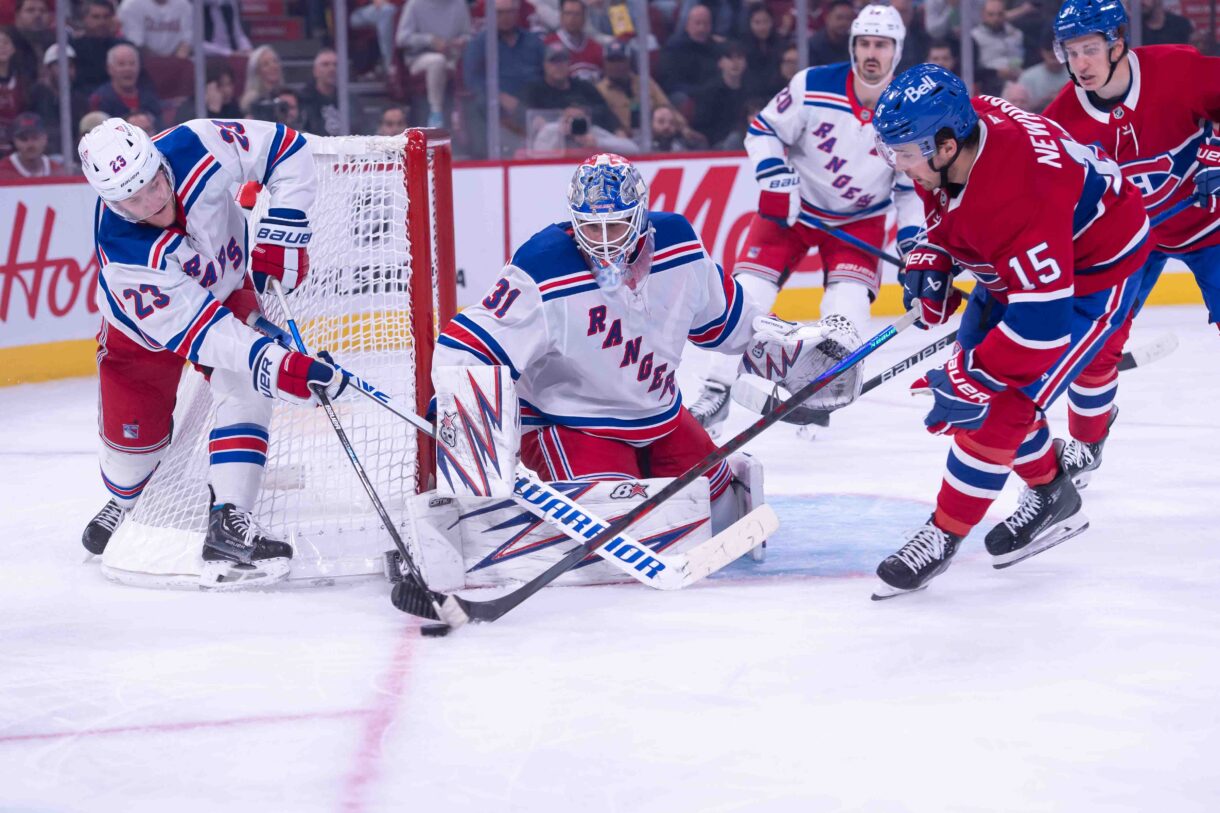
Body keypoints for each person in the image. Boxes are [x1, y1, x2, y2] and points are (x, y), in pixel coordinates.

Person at [870, 63, 1151, 598]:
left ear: (947, 146)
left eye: (905, 153)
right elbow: (955, 207)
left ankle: (944, 533)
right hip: (1034, 260)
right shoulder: (963, 128)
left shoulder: (1015, 196)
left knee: (1001, 405)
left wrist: (975, 377)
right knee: (987, 385)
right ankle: (1052, 495)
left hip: (1094, 272)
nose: (898, 164)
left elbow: (1041, 324)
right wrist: (935, 253)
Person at [431, 154, 794, 532]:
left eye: (616, 226)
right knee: (618, 525)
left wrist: (794, 351)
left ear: (639, 217)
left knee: (718, 513)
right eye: (592, 229)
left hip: (659, 417)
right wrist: (458, 426)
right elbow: (466, 347)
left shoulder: (679, 244)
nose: (604, 243)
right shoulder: (542, 267)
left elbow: (729, 322)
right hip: (570, 423)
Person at [77, 116, 349, 587]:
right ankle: (124, 499)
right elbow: (207, 334)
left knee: (246, 384)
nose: (153, 203)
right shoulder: (124, 253)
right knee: (132, 459)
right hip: (142, 337)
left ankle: (229, 520)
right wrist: (280, 365)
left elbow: (286, 148)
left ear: (160, 162)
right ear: (110, 202)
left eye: (154, 185)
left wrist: (285, 230)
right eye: (133, 200)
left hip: (225, 290)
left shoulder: (197, 142)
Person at [688, 5, 922, 437]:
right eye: (865, 43)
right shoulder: (813, 84)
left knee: (845, 316)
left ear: (898, 50)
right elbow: (763, 131)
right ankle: (716, 390)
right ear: (853, 46)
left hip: (859, 221)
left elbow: (911, 187)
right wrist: (776, 177)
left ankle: (816, 395)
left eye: (882, 45)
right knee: (747, 293)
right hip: (795, 209)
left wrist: (914, 247)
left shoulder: (908, 106)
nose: (872, 53)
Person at [1043, 0, 1220, 487]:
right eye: (1071, 52)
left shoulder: (1176, 70)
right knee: (1092, 341)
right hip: (1131, 241)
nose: (1080, 64)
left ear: (1118, 45)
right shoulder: (1060, 125)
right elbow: (1050, 204)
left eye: (1091, 50)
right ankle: (1087, 442)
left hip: (1211, 225)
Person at [462, 0, 545, 157]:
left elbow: (546, 73)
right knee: (477, 104)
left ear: (517, 12)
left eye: (509, 12)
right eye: (499, 13)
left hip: (533, 103)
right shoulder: (479, 44)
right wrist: (498, 96)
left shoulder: (533, 42)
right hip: (496, 109)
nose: (505, 17)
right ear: (490, 15)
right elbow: (471, 80)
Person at [395, 0, 470, 128]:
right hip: (419, 57)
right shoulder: (414, 4)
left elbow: (469, 35)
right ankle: (436, 112)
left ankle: (460, 114)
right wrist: (430, 40)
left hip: (452, 56)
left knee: (459, 64)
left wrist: (460, 41)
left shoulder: (459, 4)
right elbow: (401, 38)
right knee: (437, 61)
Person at [523, 43, 618, 135]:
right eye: (553, 61)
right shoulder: (534, 90)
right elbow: (520, 116)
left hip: (588, 142)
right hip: (550, 145)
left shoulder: (584, 87)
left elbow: (605, 112)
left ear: (569, 63)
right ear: (544, 65)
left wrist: (584, 112)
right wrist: (538, 119)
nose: (559, 66)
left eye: (562, 60)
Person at [596, 40, 679, 138]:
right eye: (612, 61)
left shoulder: (645, 83)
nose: (616, 65)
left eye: (620, 60)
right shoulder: (598, 90)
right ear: (605, 63)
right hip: (622, 142)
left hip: (655, 136)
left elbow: (666, 106)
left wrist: (684, 128)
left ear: (629, 62)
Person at [691, 40, 751, 149]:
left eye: (739, 58)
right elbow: (702, 126)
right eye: (730, 58)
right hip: (717, 145)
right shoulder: (709, 92)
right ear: (720, 63)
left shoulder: (752, 90)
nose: (735, 62)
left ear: (745, 63)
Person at [88, 42, 162, 128]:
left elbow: (161, 127)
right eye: (121, 64)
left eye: (132, 64)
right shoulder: (99, 99)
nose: (128, 69)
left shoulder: (149, 97)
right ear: (110, 69)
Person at [657, 3, 720, 101]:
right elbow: (669, 83)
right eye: (697, 23)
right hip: (684, 96)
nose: (702, 28)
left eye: (706, 24)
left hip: (710, 95)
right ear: (687, 26)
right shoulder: (673, 48)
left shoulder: (715, 48)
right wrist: (700, 92)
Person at [528, 101, 638, 154]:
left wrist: (598, 142)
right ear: (562, 118)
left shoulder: (591, 132)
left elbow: (633, 149)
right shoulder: (551, 130)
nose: (573, 123)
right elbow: (537, 154)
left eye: (578, 119)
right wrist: (560, 136)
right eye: (569, 118)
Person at [71, 1, 125, 95]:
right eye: (96, 17)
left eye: (106, 17)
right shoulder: (73, 48)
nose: (102, 22)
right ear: (84, 19)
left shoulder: (124, 47)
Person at [972, 0, 1026, 92]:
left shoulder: (1016, 34)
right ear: (983, 15)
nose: (996, 18)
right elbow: (974, 70)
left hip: (1018, 77)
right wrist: (997, 72)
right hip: (990, 81)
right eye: (991, 14)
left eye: (1000, 14)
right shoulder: (974, 37)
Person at [544, 0, 604, 83]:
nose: (572, 18)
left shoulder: (596, 48)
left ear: (584, 17)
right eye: (568, 13)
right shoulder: (548, 44)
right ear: (561, 16)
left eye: (577, 14)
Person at [117, 0, 193, 58]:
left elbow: (187, 41)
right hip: (143, 64)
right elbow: (136, 44)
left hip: (177, 64)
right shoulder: (131, 5)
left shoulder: (184, 5)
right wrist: (161, 64)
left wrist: (175, 63)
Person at [1018, 28, 1069, 111]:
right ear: (1043, 53)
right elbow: (1019, 108)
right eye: (1052, 57)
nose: (1056, 62)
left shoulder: (1076, 73)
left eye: (1060, 57)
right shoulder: (1028, 77)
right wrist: (1046, 101)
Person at [0, 111, 62, 177]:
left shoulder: (56, 171)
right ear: (15, 141)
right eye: (24, 139)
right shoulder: (3, 170)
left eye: (35, 138)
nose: (30, 144)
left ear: (45, 139)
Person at [300, 47, 341, 136]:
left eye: (335, 64)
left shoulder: (349, 100)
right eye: (325, 64)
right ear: (315, 71)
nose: (332, 69)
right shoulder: (303, 100)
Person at [240, 45, 284, 117]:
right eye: (266, 64)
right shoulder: (251, 100)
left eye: (275, 61)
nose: (273, 66)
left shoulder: (286, 95)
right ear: (257, 71)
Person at [807, 0, 854, 67]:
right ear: (827, 18)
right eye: (839, 18)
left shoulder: (854, 44)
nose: (844, 23)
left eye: (848, 18)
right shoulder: (814, 45)